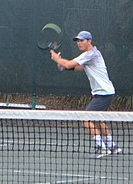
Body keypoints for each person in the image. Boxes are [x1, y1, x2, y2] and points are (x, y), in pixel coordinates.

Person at [50, 31, 121, 159]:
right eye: (77, 41)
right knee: (98, 120)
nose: (79, 43)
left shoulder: (91, 54)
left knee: (86, 119)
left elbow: (69, 64)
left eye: (81, 40)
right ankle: (112, 146)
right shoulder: (92, 56)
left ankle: (102, 148)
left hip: (103, 93)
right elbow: (77, 67)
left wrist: (58, 59)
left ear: (89, 41)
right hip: (106, 92)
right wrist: (62, 65)